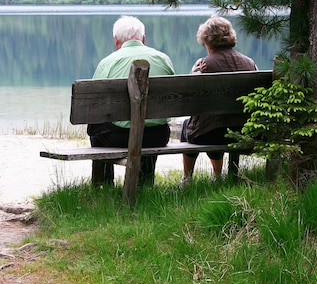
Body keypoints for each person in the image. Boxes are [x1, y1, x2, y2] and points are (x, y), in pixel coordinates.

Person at [87, 15, 175, 186]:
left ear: (116, 41)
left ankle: (104, 183)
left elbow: (93, 106)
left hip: (119, 138)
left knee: (95, 127)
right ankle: (145, 182)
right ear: (143, 38)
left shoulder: (108, 62)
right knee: (150, 125)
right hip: (157, 136)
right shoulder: (163, 59)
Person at [180, 15, 257, 186]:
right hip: (243, 132)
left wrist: (194, 75)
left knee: (191, 125)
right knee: (213, 122)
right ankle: (217, 176)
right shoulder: (249, 63)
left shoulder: (203, 65)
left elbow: (190, 103)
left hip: (212, 134)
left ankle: (187, 178)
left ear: (206, 41)